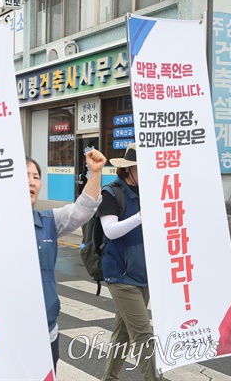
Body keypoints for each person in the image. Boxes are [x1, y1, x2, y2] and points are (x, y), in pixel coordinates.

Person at [27, 148, 106, 372]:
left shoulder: (48, 221)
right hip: (7, 335)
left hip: (46, 331)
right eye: (26, 176)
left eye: (36, 177)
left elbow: (82, 210)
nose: (32, 181)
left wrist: (95, 172)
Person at [97, 143, 157, 381]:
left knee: (122, 333)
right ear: (127, 169)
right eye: (142, 168)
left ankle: (109, 377)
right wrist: (140, 217)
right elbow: (110, 231)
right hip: (120, 274)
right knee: (143, 334)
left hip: (143, 273)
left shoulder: (148, 192)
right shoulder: (111, 193)